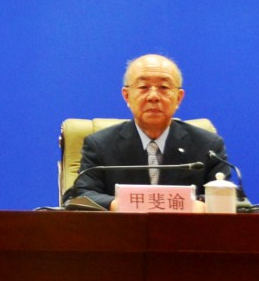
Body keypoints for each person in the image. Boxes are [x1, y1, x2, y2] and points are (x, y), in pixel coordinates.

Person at [71, 54, 241, 211]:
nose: (153, 96)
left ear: (179, 98)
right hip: (121, 236)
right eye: (143, 87)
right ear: (127, 96)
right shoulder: (100, 144)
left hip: (186, 237)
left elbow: (231, 197)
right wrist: (117, 204)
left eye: (164, 87)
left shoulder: (208, 146)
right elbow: (80, 196)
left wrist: (199, 205)